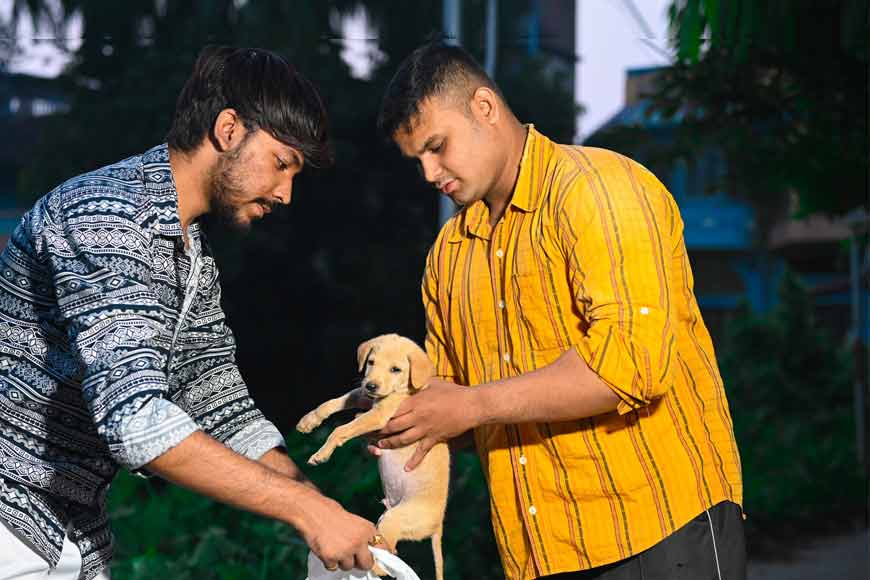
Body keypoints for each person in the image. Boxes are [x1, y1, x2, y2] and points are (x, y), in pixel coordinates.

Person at [0, 46, 380, 580]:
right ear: (228, 129)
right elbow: (133, 419)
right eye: (280, 163)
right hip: (10, 520)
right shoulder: (106, 216)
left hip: (69, 535)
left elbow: (215, 398)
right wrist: (305, 511)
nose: (287, 193)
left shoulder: (188, 254)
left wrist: (318, 506)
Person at [373, 42, 746, 580]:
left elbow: (631, 367)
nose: (431, 173)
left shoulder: (598, 190)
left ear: (484, 106)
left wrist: (473, 406)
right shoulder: (449, 256)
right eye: (418, 160)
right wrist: (404, 419)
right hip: (539, 554)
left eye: (438, 147)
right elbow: (455, 400)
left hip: (662, 531)